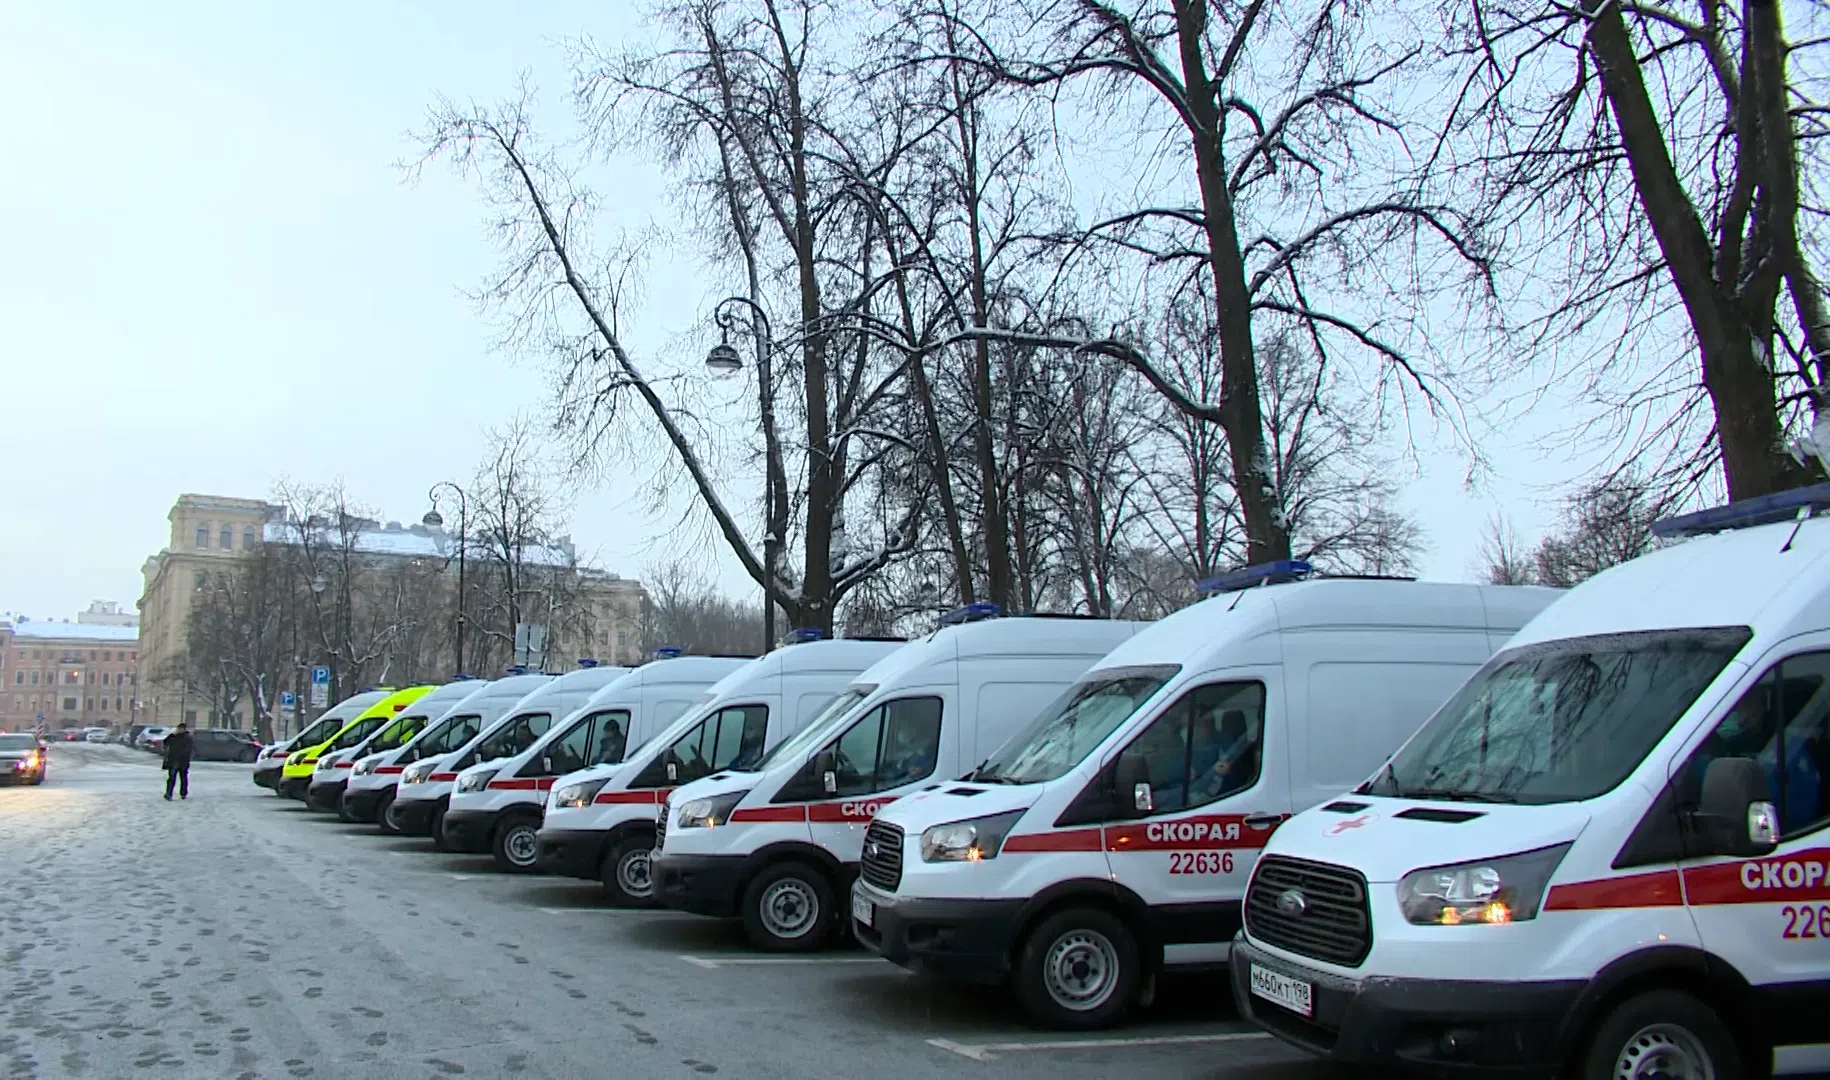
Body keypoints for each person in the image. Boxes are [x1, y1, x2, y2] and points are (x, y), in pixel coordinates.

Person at [163, 722, 195, 801]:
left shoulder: (188, 737)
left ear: (184, 729)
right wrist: (171, 735)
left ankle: (183, 793)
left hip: (183, 761)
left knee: (183, 778)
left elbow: (189, 749)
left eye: (181, 729)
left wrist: (184, 756)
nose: (179, 730)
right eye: (178, 729)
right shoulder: (174, 736)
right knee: (171, 778)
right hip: (173, 760)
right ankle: (168, 793)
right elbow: (165, 742)